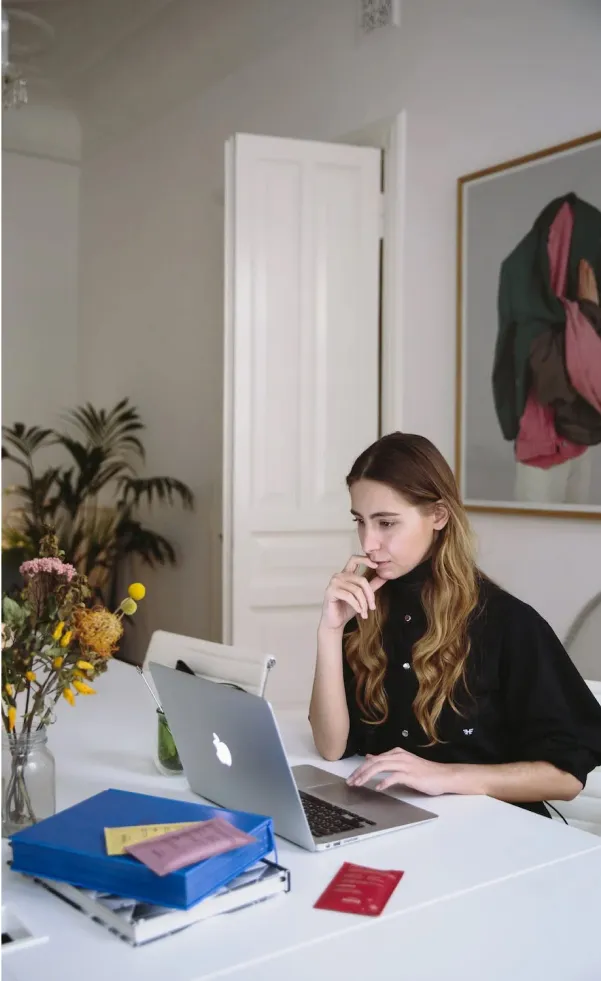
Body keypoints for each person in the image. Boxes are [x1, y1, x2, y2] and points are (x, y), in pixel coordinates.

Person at [309, 432, 601, 817]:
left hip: (494, 835)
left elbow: (566, 778)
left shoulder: (507, 623)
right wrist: (329, 633)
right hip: (394, 819)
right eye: (360, 522)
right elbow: (331, 747)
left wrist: (446, 776)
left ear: (439, 516)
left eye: (386, 523)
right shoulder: (365, 608)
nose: (369, 543)